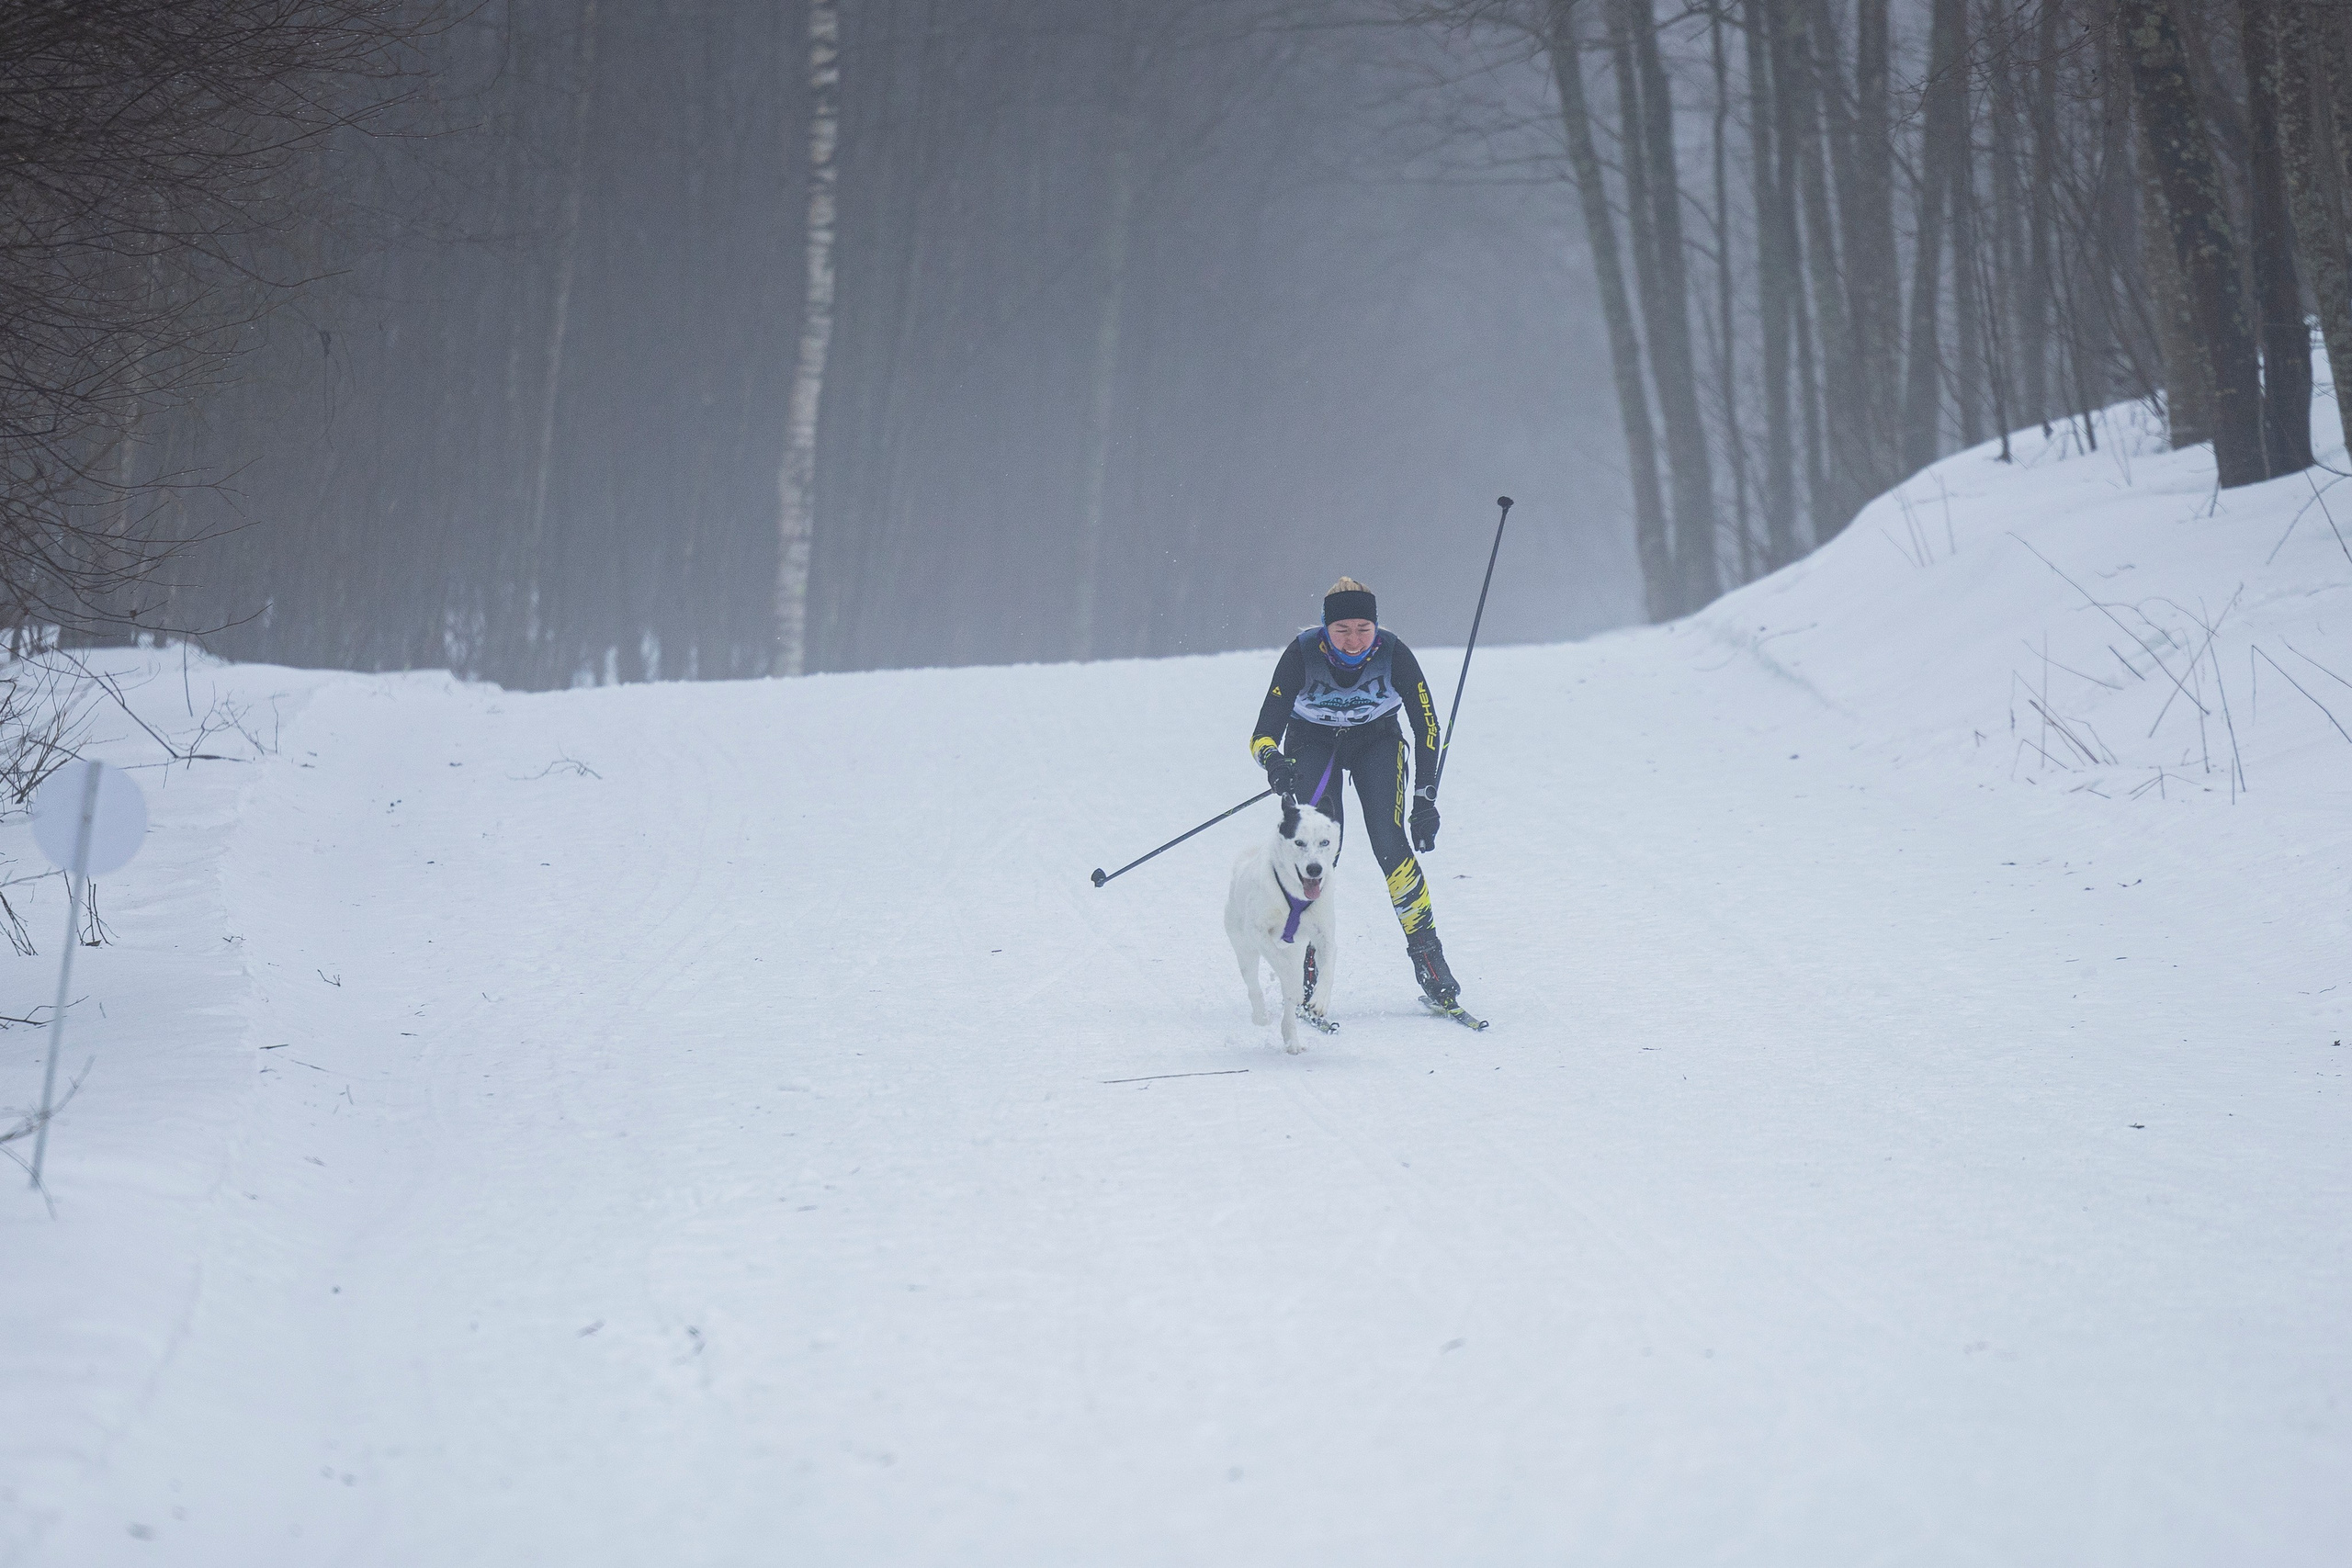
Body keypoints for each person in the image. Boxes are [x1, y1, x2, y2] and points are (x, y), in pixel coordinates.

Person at [1249, 576, 1462, 1005]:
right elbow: (1262, 735)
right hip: (1313, 744)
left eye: (1363, 629)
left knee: (1391, 842)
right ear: (1325, 629)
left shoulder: (1394, 652)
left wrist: (1425, 799)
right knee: (1316, 851)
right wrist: (1275, 764)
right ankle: (1305, 958)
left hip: (1376, 742)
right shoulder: (1301, 654)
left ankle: (1428, 957)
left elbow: (1428, 727)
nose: (1353, 641)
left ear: (1376, 628)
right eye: (1342, 630)